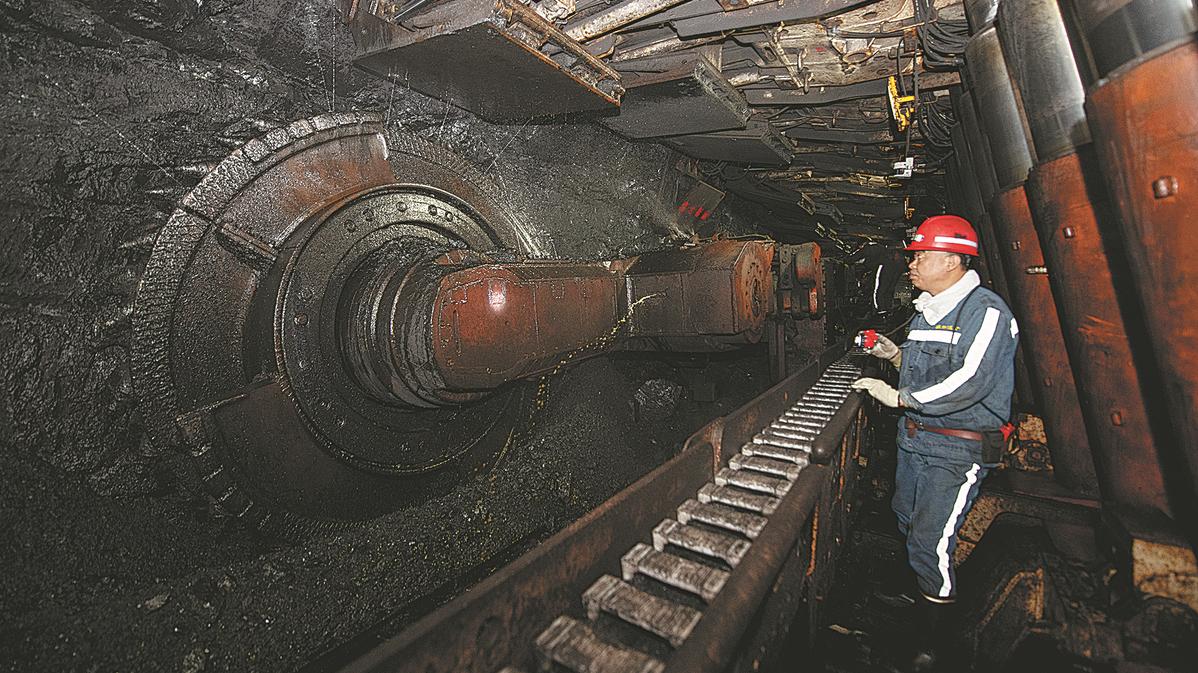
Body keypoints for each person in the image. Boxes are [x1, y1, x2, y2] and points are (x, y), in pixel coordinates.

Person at [850, 214, 1019, 671]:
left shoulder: (986, 312)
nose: (912, 264)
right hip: (917, 440)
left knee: (931, 541)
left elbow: (970, 381)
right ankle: (917, 595)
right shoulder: (930, 309)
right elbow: (926, 369)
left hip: (957, 449)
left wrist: (899, 397)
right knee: (906, 519)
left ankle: (933, 649)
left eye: (921, 256)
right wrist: (893, 355)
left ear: (951, 261)